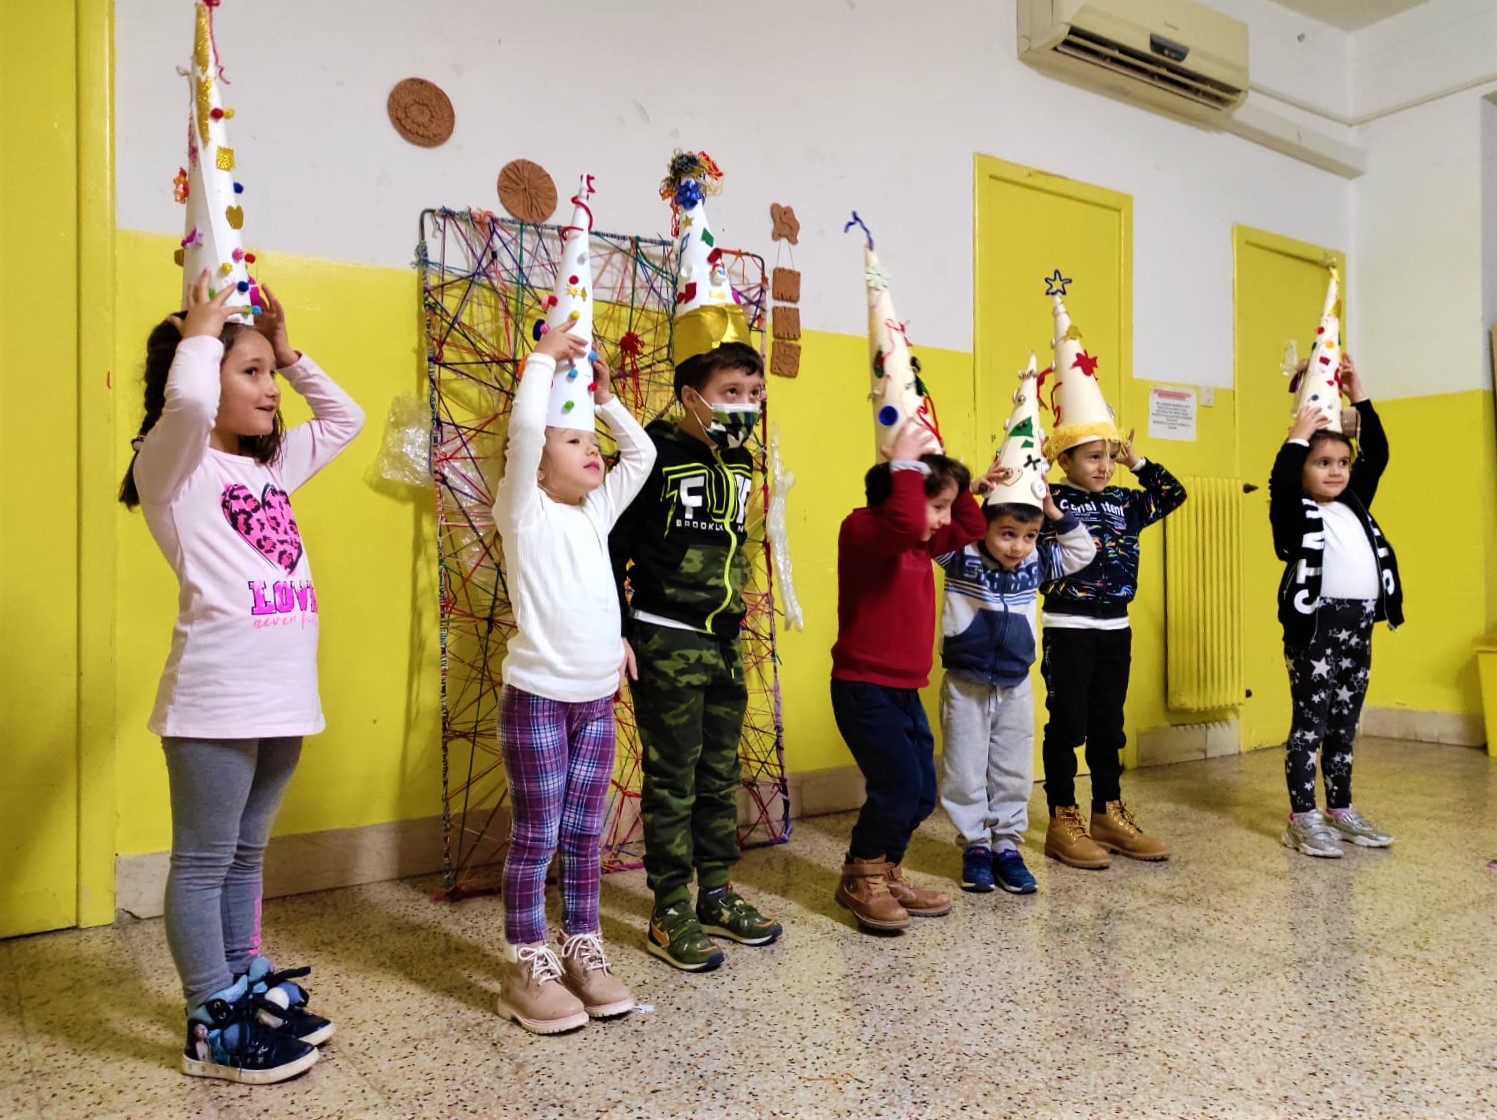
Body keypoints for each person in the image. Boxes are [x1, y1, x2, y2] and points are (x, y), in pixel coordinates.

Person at [120, 272, 363, 1082]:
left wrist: (290, 355)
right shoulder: (175, 470)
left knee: (246, 854)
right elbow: (186, 408)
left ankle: (243, 979)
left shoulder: (268, 470)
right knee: (202, 859)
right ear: (201, 373)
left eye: (268, 372)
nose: (268, 389)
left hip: (281, 696)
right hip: (215, 702)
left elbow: (345, 419)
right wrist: (201, 328)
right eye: (250, 372)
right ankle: (208, 1020)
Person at [609, 341, 782, 972]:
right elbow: (610, 546)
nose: (745, 407)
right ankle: (669, 907)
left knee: (718, 776)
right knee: (672, 781)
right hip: (665, 637)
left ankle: (715, 892)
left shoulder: (741, 464)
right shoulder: (648, 455)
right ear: (691, 396)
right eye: (731, 393)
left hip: (724, 643)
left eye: (754, 395)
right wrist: (619, 629)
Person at [829, 422, 995, 932]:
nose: (945, 520)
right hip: (862, 687)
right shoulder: (863, 531)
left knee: (921, 789)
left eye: (946, 506)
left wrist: (960, 485)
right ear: (898, 494)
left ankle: (886, 868)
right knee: (897, 783)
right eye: (937, 506)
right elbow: (901, 521)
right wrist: (902, 464)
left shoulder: (919, 542)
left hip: (903, 690)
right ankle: (861, 874)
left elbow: (971, 529)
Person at [1270, 356, 1401, 856]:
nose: (1336, 472)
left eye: (1342, 463)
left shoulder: (1354, 503)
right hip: (1316, 631)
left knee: (1345, 723)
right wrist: (1295, 439)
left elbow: (1380, 453)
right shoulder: (1295, 511)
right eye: (1322, 463)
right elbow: (1281, 482)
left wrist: (1359, 393)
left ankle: (1340, 808)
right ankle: (1302, 816)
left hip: (1358, 629)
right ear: (1303, 466)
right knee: (1310, 724)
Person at [937, 485, 1096, 894]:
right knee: (965, 767)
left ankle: (1007, 846)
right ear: (983, 525)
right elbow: (932, 535)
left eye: (1028, 536)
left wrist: (1052, 513)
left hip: (1015, 683)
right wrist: (970, 493)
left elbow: (1082, 551)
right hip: (966, 681)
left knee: (1013, 769)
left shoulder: (1038, 561)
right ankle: (975, 846)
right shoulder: (960, 555)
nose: (1018, 547)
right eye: (1007, 533)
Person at [1039, 431, 1186, 869]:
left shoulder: (1126, 500)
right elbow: (1008, 504)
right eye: (1092, 457)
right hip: (1068, 627)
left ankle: (1107, 811)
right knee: (1067, 723)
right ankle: (1062, 817)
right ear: (1065, 460)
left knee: (1108, 724)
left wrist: (1136, 462)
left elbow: (1172, 493)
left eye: (1109, 456)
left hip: (1115, 628)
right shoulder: (1051, 498)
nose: (1104, 465)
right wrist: (1035, 461)